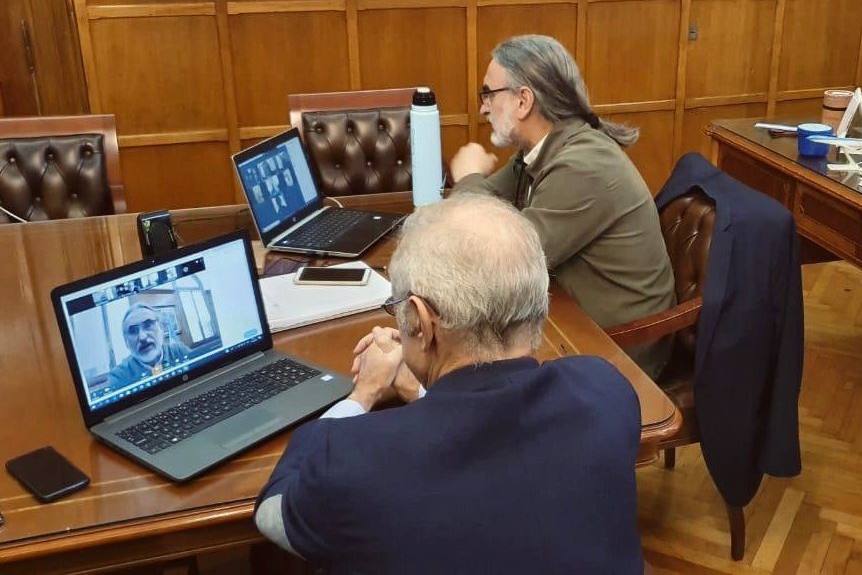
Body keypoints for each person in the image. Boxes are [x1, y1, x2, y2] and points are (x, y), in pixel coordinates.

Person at [254, 194, 644, 574]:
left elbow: (274, 511)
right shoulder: (604, 391)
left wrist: (363, 394)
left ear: (423, 323)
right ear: (539, 299)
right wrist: (419, 393)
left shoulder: (352, 457)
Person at [450, 34, 675, 378]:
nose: (482, 107)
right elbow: (476, 220)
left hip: (619, 350)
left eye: (488, 94)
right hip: (569, 321)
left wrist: (467, 177)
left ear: (523, 100)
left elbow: (509, 258)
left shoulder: (583, 163)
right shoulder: (538, 149)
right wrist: (472, 188)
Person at [106, 304, 191, 389]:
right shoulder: (118, 376)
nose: (142, 337)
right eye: (133, 331)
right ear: (126, 342)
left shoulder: (180, 351)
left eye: (148, 325)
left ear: (161, 328)